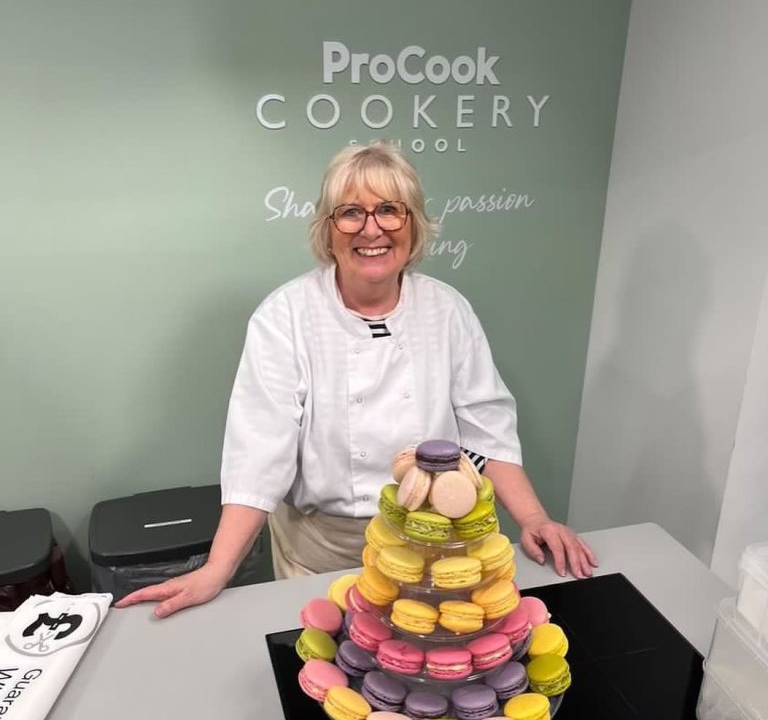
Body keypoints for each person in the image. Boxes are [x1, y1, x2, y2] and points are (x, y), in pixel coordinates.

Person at [117, 142, 597, 617]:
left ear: (414, 225)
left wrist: (534, 519)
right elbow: (260, 451)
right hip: (321, 552)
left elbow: (485, 430)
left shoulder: (447, 310)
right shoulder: (285, 316)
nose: (372, 230)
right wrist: (217, 568)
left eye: (391, 210)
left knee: (421, 670)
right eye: (350, 213)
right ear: (328, 232)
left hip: (430, 542)